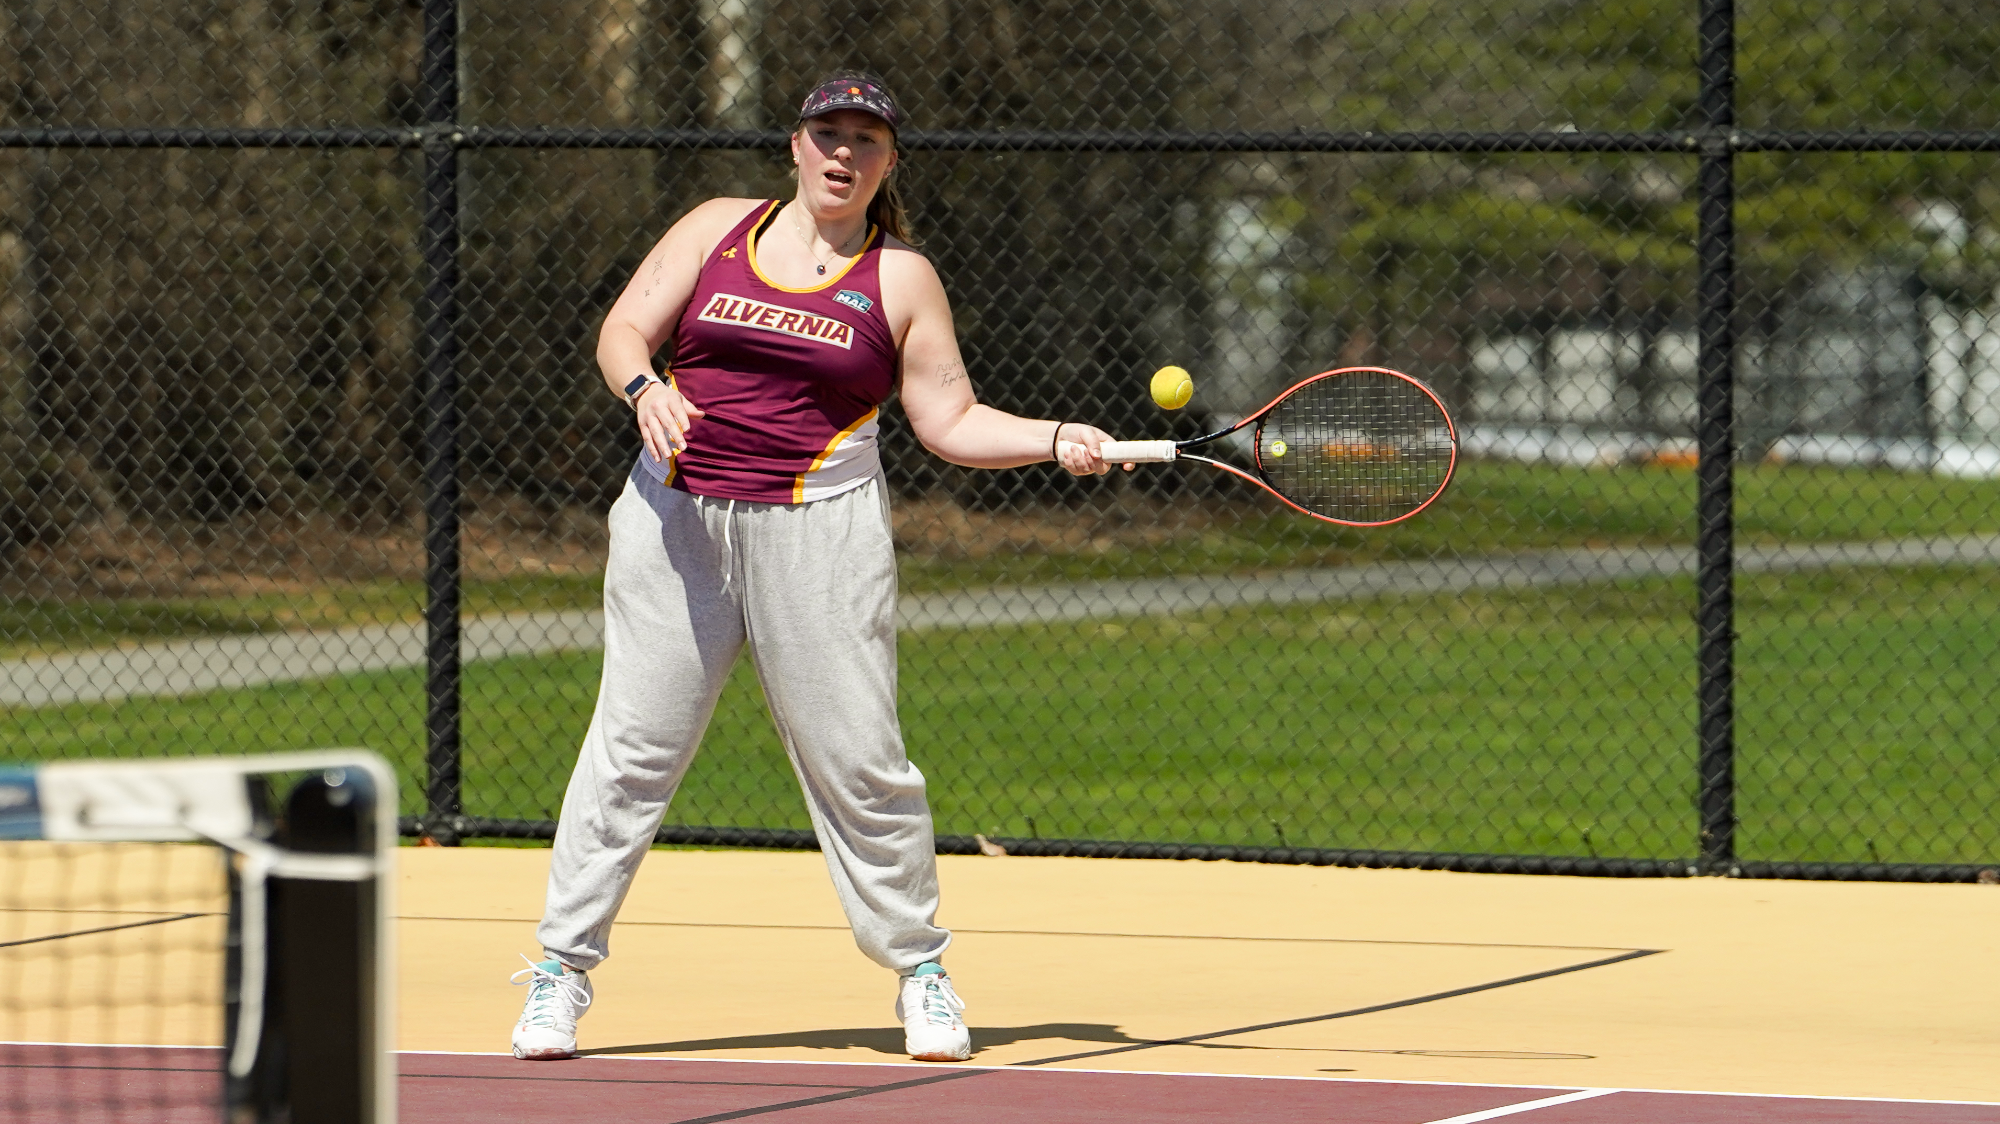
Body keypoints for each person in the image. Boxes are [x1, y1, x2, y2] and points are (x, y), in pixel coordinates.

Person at [508, 71, 1115, 1064]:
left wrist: (1053, 437)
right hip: (675, 525)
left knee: (861, 761)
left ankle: (919, 970)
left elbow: (949, 420)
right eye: (826, 133)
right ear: (794, 144)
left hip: (821, 530)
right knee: (630, 751)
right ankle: (558, 971)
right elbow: (622, 328)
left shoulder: (901, 278)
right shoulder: (714, 227)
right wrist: (642, 387)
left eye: (865, 141)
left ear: (888, 163)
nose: (843, 153)